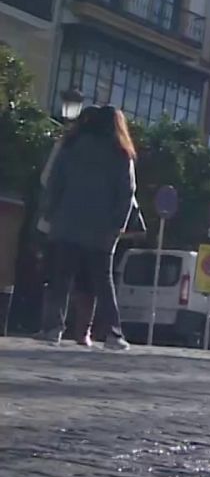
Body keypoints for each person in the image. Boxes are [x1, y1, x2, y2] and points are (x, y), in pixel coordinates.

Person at [36, 106, 137, 350]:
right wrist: (117, 226)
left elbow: (54, 181)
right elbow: (127, 192)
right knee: (103, 283)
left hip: (66, 222)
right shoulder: (121, 153)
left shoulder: (72, 146)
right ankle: (113, 334)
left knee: (61, 278)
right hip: (101, 229)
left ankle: (52, 329)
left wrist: (50, 212)